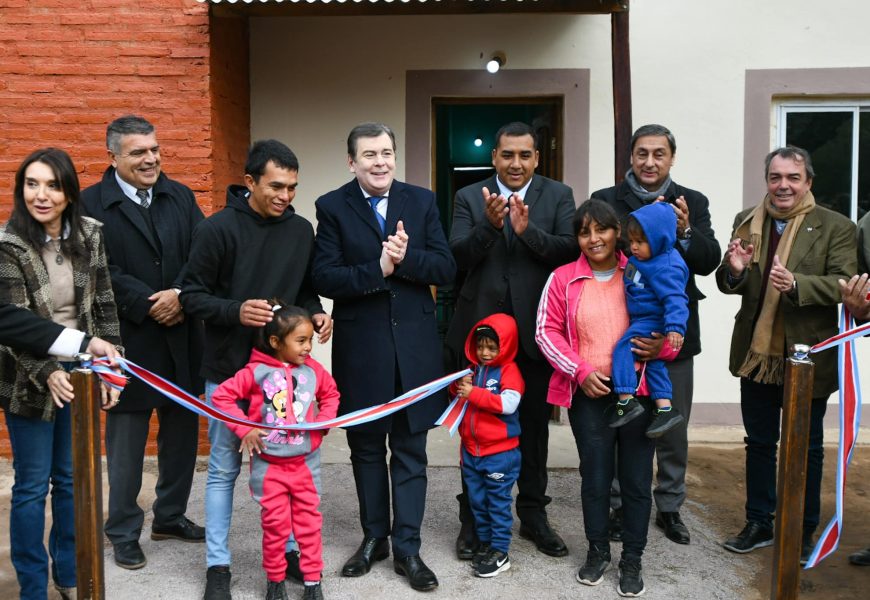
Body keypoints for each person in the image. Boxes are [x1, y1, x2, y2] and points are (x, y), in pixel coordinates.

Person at [182, 139, 332, 600]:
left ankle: (289, 553)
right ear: (249, 182)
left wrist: (317, 312)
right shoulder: (217, 229)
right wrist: (233, 310)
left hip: (286, 378)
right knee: (224, 470)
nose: (285, 196)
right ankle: (218, 566)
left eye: (292, 187)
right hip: (230, 372)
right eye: (276, 186)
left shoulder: (301, 230)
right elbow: (190, 295)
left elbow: (305, 291)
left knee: (293, 468)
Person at [312, 122, 455, 592]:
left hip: (414, 352)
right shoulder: (332, 207)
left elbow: (446, 267)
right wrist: (378, 267)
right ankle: (374, 537)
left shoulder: (422, 201)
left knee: (411, 451)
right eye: (369, 154)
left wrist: (405, 259)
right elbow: (326, 278)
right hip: (362, 351)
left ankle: (408, 548)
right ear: (352, 162)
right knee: (367, 449)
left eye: (387, 153)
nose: (380, 162)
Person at [717, 146, 856, 564]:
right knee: (759, 443)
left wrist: (797, 284)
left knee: (806, 448)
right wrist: (735, 271)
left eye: (793, 178)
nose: (783, 186)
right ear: (767, 181)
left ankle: (802, 528)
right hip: (755, 354)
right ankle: (759, 521)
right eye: (776, 177)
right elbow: (729, 284)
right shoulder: (747, 220)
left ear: (808, 182)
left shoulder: (836, 226)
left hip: (806, 355)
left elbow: (844, 282)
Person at [446, 121, 578, 559]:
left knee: (535, 428)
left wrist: (527, 233)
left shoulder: (558, 196)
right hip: (480, 336)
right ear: (494, 157)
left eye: (525, 155)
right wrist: (488, 227)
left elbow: (568, 252)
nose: (516, 163)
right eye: (507, 155)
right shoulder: (469, 196)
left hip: (536, 334)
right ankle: (473, 518)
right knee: (475, 427)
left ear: (537, 158)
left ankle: (533, 516)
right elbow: (456, 257)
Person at [81, 115, 205, 570]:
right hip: (128, 343)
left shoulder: (181, 196)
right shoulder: (91, 204)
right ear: (112, 155)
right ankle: (124, 530)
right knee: (128, 446)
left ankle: (170, 516)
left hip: (182, 337)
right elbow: (96, 271)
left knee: (181, 438)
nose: (151, 159)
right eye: (138, 152)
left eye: (154, 149)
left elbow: (202, 253)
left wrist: (179, 294)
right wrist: (148, 301)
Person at [0, 148, 122, 600]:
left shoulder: (91, 235)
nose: (41, 195)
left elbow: (104, 305)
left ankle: (69, 574)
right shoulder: (8, 244)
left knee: (71, 480)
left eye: (51, 185)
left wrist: (111, 367)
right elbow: (9, 324)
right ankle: (33, 587)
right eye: (31, 184)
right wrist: (48, 368)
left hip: (84, 374)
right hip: (26, 376)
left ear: (69, 192)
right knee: (32, 486)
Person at [591, 123, 720, 546]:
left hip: (675, 334)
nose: (650, 161)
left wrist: (684, 231)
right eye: (642, 153)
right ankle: (618, 504)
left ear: (671, 157)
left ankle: (669, 505)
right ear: (631, 156)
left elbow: (708, 261)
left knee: (671, 424)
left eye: (659, 154)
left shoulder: (693, 202)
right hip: (621, 327)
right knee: (622, 420)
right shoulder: (608, 200)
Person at [536, 199, 656, 597]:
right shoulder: (563, 279)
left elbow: (670, 320)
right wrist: (580, 371)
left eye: (601, 229)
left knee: (638, 481)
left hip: (639, 392)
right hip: (590, 394)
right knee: (596, 478)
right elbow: (545, 333)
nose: (593, 239)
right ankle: (598, 552)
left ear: (616, 231)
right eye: (584, 232)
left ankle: (633, 560)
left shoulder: (641, 272)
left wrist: (660, 347)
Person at [211, 305, 338, 600]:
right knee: (275, 528)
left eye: (309, 340)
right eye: (301, 340)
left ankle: (312, 584)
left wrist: (321, 424)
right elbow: (221, 396)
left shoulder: (314, 371)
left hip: (306, 465)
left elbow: (331, 394)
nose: (308, 347)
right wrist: (245, 428)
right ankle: (275, 582)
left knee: (309, 526)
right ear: (275, 342)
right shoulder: (255, 372)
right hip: (269, 469)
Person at [449, 314, 524, 579]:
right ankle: (485, 544)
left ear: (506, 345)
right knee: (477, 502)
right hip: (471, 451)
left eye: (492, 347)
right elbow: (462, 400)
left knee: (498, 504)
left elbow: (508, 404)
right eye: (480, 346)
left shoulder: (510, 371)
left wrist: (475, 394)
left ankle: (501, 552)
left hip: (500, 454)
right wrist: (458, 388)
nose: (485, 352)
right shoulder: (472, 370)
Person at [609, 203, 689, 439]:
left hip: (651, 318)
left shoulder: (667, 266)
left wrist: (675, 327)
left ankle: (625, 399)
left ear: (660, 238)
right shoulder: (644, 258)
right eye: (631, 241)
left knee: (624, 347)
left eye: (640, 242)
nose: (633, 247)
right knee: (652, 362)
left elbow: (676, 298)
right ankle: (664, 408)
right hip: (643, 317)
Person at [0, 302, 119, 360]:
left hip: (84, 360)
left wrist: (84, 344)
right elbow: (8, 320)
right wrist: (83, 344)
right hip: (39, 362)